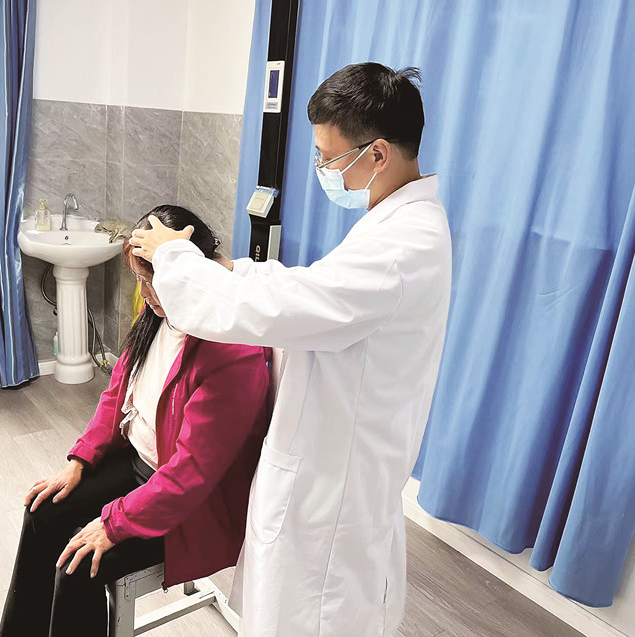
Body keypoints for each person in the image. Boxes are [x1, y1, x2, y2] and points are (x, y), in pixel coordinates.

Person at [129, 63, 452, 637]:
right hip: (330, 464)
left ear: (378, 154)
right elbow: (311, 290)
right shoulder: (395, 226)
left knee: (313, 616)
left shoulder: (402, 249)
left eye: (328, 158)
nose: (323, 170)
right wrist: (229, 268)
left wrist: (176, 258)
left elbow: (280, 309)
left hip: (333, 490)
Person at [0, 205, 271, 637]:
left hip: (189, 505)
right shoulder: (157, 314)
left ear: (188, 271)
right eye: (139, 279)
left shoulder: (232, 351)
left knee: (78, 565)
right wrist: (80, 460)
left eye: (152, 280)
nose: (144, 294)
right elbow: (117, 394)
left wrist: (114, 523)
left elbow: (190, 475)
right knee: (42, 512)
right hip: (140, 466)